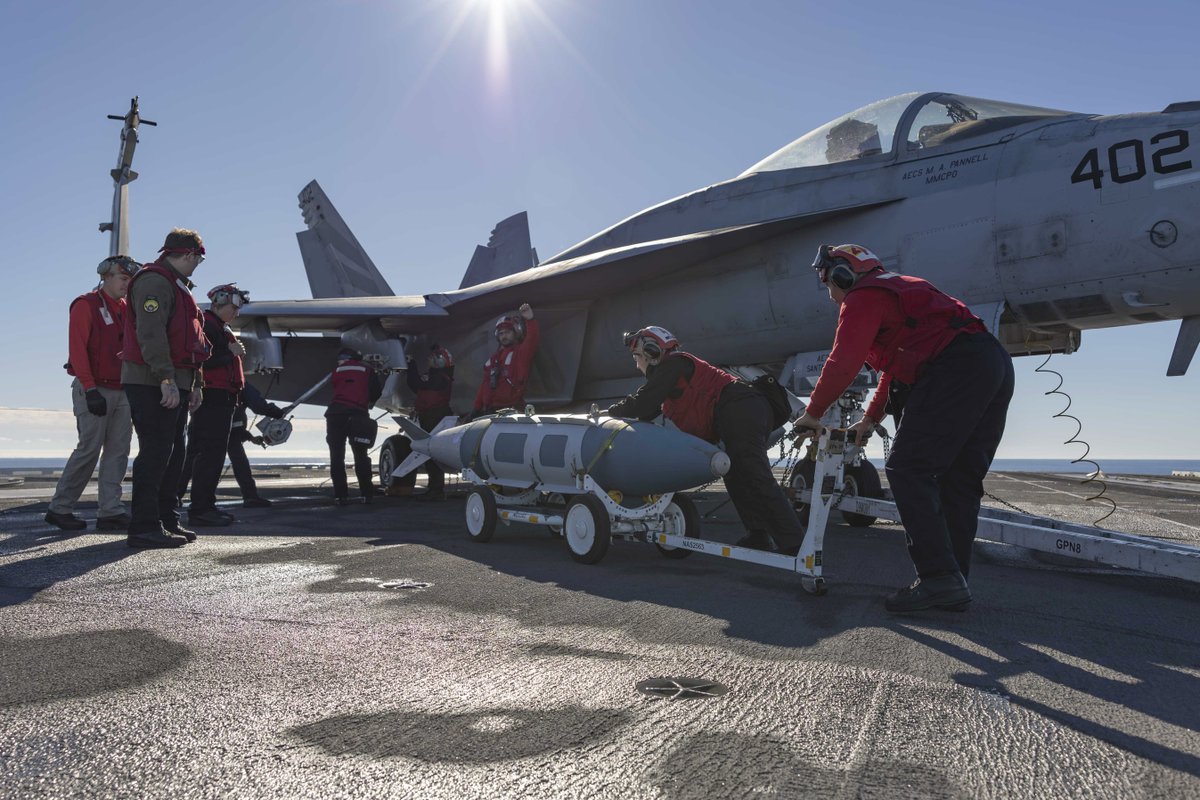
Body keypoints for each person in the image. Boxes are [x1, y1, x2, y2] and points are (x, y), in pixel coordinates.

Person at [794, 243, 1014, 613]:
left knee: (907, 467)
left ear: (842, 275)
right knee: (958, 480)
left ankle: (938, 578)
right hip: (991, 363)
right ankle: (951, 581)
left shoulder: (862, 297)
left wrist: (812, 413)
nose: (831, 297)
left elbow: (842, 360)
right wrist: (869, 420)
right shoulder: (901, 290)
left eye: (828, 285)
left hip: (954, 367)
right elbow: (892, 373)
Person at [607, 326, 805, 555]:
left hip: (740, 409)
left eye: (637, 357)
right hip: (742, 411)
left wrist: (608, 413)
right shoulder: (672, 376)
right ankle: (758, 535)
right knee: (735, 472)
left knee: (755, 474)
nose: (637, 364)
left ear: (651, 352)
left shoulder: (674, 364)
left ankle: (794, 543)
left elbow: (641, 403)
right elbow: (646, 411)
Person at [121, 229, 211, 548]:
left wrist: (194, 383)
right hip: (151, 381)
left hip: (176, 381)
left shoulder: (176, 285)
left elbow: (192, 340)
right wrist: (165, 378)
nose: (197, 265)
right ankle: (144, 526)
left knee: (173, 454)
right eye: (197, 260)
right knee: (156, 452)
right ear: (188, 255)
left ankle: (166, 519)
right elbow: (151, 334)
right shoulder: (154, 282)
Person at [45, 256, 141, 531]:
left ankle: (110, 511)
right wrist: (89, 388)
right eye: (123, 279)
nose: (127, 284)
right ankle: (59, 508)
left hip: (122, 389)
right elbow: (77, 349)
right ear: (105, 276)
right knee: (89, 449)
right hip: (95, 388)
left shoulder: (126, 309)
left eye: (130, 280)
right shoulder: (85, 304)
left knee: (118, 451)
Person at [180, 284, 250, 526]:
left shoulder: (217, 325)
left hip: (219, 397)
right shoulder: (209, 325)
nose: (237, 312)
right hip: (214, 397)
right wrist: (231, 352)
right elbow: (202, 361)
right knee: (210, 454)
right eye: (235, 307)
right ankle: (201, 508)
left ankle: (201, 504)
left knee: (203, 453)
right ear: (220, 302)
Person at [178, 382, 285, 508]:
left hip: (198, 425)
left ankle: (175, 497)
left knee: (190, 461)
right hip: (226, 429)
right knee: (239, 463)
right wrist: (279, 413)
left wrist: (249, 437)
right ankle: (248, 497)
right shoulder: (237, 382)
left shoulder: (201, 380)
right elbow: (258, 406)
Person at [326, 347, 383, 505]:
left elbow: (336, 386)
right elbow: (376, 392)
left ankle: (340, 495)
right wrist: (366, 401)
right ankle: (366, 493)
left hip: (335, 414)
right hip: (358, 414)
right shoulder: (367, 369)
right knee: (361, 455)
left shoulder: (337, 369)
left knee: (336, 456)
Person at [470, 303, 540, 417]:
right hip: (490, 412)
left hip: (512, 412)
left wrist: (530, 320)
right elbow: (485, 384)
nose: (504, 336)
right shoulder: (493, 360)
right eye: (501, 333)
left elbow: (532, 340)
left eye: (507, 332)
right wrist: (476, 409)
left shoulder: (520, 353)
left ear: (515, 333)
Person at [405, 344, 455, 499]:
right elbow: (416, 385)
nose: (434, 363)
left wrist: (411, 365)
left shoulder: (441, 378)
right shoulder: (437, 377)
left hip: (436, 415)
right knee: (429, 451)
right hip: (429, 415)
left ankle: (436, 488)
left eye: (437, 360)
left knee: (433, 451)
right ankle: (434, 487)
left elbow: (418, 384)